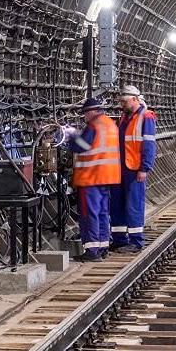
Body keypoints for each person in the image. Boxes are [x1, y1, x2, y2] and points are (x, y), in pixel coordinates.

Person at [64, 98, 120, 262]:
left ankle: (92, 251)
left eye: (85, 114)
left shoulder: (94, 125)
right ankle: (103, 247)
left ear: (91, 112)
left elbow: (81, 146)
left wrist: (72, 136)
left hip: (91, 176)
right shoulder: (109, 124)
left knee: (90, 214)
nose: (84, 117)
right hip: (107, 176)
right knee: (102, 212)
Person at [114, 85, 156, 253]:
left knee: (133, 205)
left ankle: (136, 241)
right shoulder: (125, 117)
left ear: (134, 99)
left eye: (124, 101)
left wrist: (144, 168)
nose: (122, 104)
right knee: (117, 204)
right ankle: (119, 239)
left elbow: (149, 144)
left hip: (135, 169)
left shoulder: (146, 117)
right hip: (121, 167)